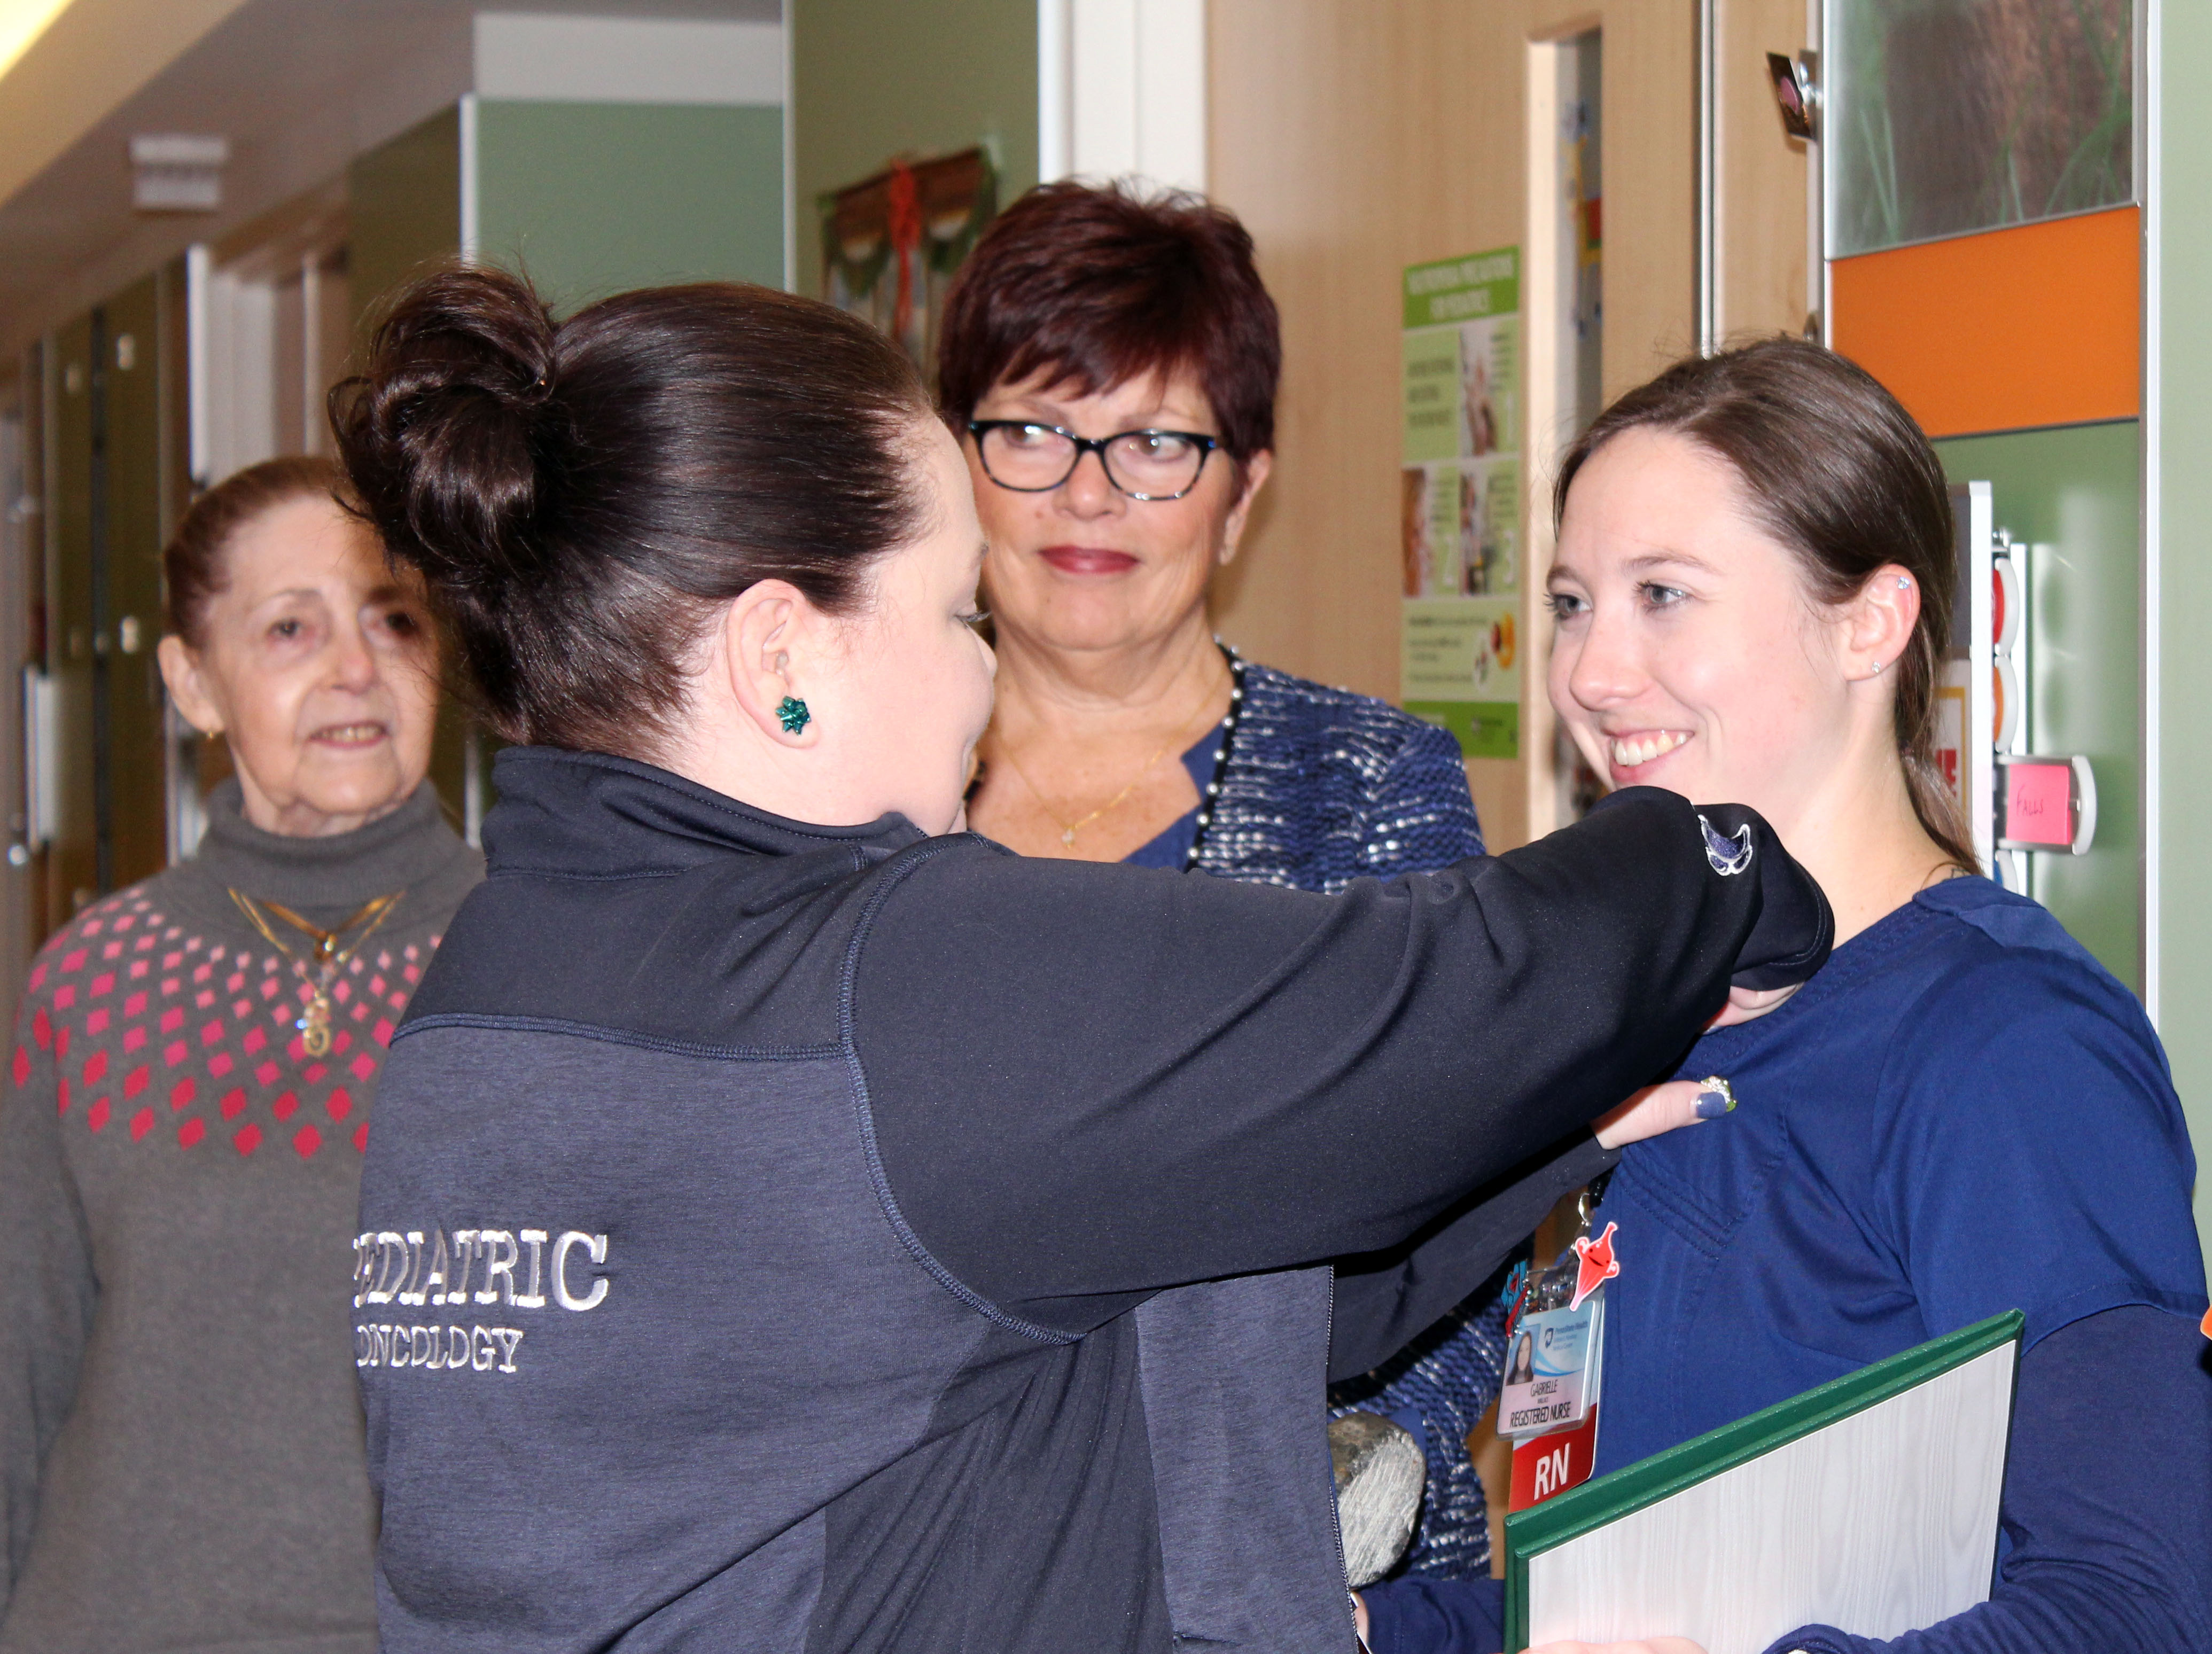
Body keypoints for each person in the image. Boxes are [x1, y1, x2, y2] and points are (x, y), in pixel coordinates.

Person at [330, 266, 1829, 1654]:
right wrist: (1715, 861)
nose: (987, 666)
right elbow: (1471, 978)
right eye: (955, 610)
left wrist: (1534, 1137)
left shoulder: (485, 988)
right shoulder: (894, 982)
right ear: (780, 656)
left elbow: (1067, 1301)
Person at [1358, 339, 2212, 1654]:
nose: (1591, 672)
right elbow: (1621, 1611)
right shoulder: (1634, 1018)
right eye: (1575, 602)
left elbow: (2135, 1607)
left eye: (1664, 596)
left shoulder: (2008, 1049)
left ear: (1871, 620)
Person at [940, 178, 1519, 1583]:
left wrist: (1347, 1465)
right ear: (951, 456)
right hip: (948, 1560)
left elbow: (1480, 1202)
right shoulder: (856, 794)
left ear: (1244, 487)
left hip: (1318, 1573)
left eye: (1154, 444)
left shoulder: (1370, 783)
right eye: (1033, 431)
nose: (1087, 493)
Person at [0, 456, 482, 1653]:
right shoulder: (89, 981)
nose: (356, 669)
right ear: (193, 683)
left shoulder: (538, 963)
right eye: (288, 629)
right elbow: (18, 1366)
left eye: (394, 619)